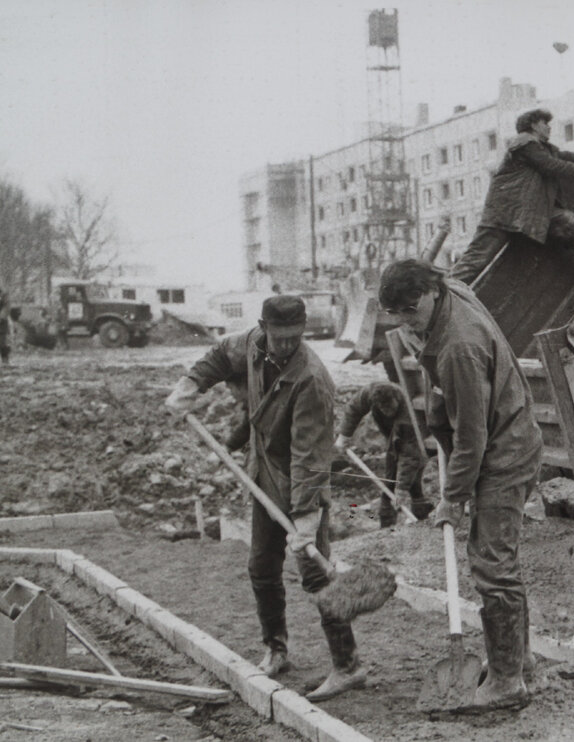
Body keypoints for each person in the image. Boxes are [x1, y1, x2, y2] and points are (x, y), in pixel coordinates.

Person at [164, 295, 362, 702]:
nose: (287, 345)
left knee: (316, 575)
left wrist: (306, 518)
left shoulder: (312, 379)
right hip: (264, 475)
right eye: (280, 337)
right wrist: (192, 384)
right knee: (261, 566)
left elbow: (310, 455)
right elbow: (221, 356)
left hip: (300, 484)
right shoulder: (253, 343)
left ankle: (348, 666)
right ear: (264, 327)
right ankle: (276, 649)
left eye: (295, 337)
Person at [378, 258, 542, 710]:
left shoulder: (459, 347)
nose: (407, 322)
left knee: (491, 564)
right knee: (499, 561)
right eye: (398, 315)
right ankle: (519, 662)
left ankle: (507, 682)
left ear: (431, 293)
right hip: (504, 437)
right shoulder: (450, 289)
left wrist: (452, 498)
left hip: (502, 453)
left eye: (412, 311)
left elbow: (472, 435)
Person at [450, 107, 574, 285]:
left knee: (567, 221)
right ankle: (436, 295)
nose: (549, 126)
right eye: (545, 122)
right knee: (476, 260)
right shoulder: (523, 143)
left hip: (526, 213)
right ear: (534, 125)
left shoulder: (543, 148)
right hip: (504, 214)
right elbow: (550, 165)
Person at [334, 381, 434, 527]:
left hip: (415, 439)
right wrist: (344, 436)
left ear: (396, 400)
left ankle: (416, 513)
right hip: (393, 433)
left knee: (406, 473)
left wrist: (401, 490)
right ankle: (390, 522)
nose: (387, 411)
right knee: (392, 476)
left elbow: (410, 457)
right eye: (382, 408)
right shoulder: (370, 392)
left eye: (390, 407)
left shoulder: (408, 416)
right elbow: (354, 409)